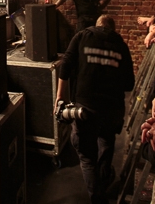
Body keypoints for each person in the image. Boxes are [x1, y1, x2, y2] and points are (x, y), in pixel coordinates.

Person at [56, 15, 134, 204]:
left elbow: (65, 66)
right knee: (106, 144)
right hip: (113, 109)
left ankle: (97, 198)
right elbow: (129, 84)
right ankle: (104, 179)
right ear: (112, 29)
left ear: (97, 25)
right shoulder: (121, 45)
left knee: (87, 157)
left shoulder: (82, 36)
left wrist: (60, 98)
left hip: (86, 107)